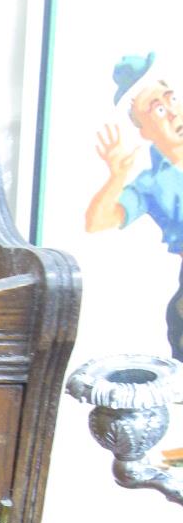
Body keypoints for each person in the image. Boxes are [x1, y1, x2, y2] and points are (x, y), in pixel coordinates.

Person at [85, 51, 183, 358]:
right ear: (143, 130)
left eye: (171, 100)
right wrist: (116, 176)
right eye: (157, 110)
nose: (173, 113)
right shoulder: (152, 183)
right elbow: (97, 222)